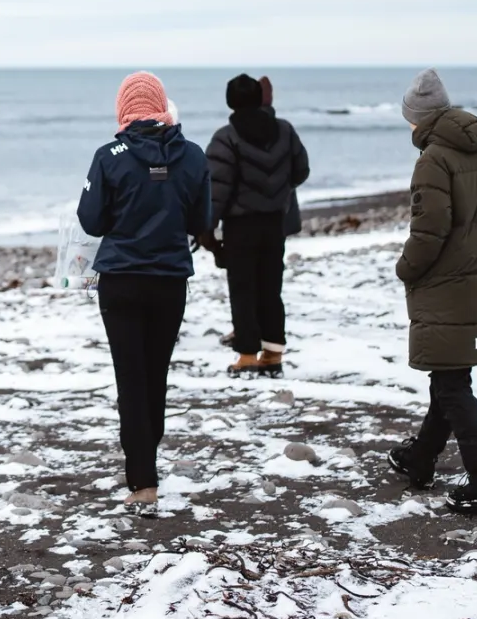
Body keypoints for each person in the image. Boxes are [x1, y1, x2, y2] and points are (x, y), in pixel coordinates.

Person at [385, 69, 477, 516]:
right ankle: (420, 458)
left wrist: (407, 269)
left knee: (451, 382)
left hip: (446, 285)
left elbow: (429, 231)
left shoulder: (433, 160)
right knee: (450, 375)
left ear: (418, 118)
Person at [77, 72, 211, 506]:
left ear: (124, 108)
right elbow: (201, 222)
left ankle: (143, 479)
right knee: (155, 374)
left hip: (121, 281)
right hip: (170, 280)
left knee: (130, 377)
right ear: (161, 105)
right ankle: (147, 464)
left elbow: (91, 220)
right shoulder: (192, 156)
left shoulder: (108, 156)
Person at [205, 73, 310, 376]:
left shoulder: (226, 137)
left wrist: (207, 226)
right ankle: (273, 355)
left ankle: (248, 355)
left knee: (242, 289)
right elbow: (301, 171)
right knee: (270, 288)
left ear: (230, 101)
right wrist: (277, 189)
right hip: (274, 222)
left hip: (240, 226)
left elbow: (218, 189)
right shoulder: (285, 130)